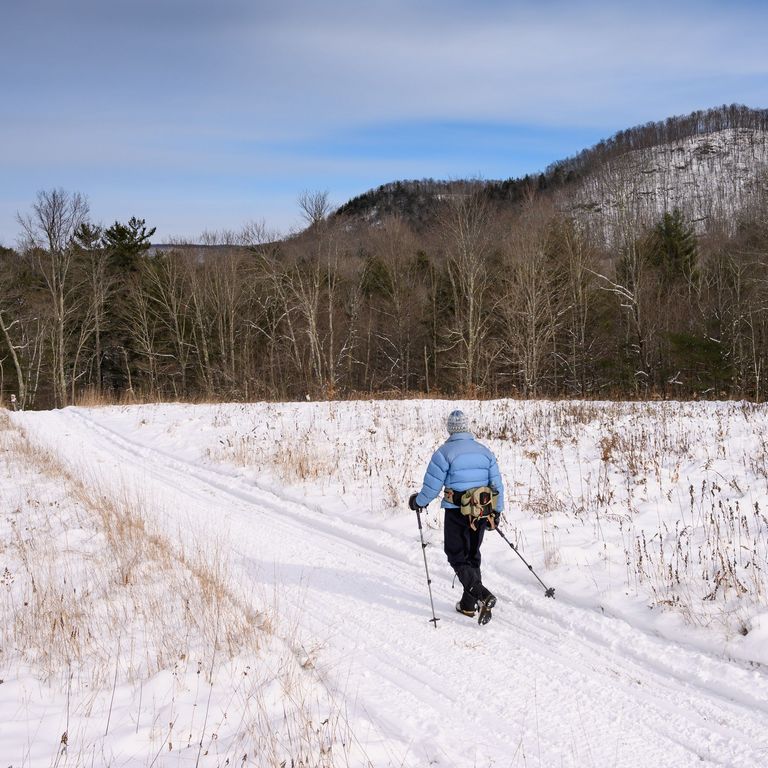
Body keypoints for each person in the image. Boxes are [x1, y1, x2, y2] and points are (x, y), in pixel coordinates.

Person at [409, 409, 504, 624]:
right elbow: (497, 485)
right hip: (481, 512)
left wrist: (418, 502)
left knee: (456, 555)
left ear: (450, 429)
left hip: (456, 512)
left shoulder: (444, 453)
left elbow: (432, 487)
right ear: (467, 427)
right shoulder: (485, 452)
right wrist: (496, 513)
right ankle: (468, 605)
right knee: (472, 555)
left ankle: (481, 594)